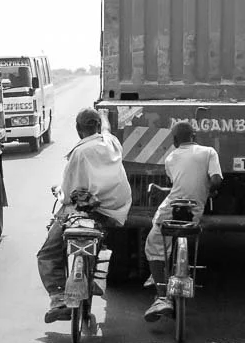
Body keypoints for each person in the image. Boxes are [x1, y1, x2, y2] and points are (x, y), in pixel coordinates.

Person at [37, 107, 132, 322]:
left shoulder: (79, 153)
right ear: (97, 126)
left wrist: (58, 192)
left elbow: (70, 193)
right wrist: (104, 116)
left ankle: (58, 298)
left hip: (87, 212)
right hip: (115, 212)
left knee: (48, 252)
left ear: (78, 130)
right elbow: (105, 129)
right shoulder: (112, 142)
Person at [143, 122, 223, 321]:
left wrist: (163, 192)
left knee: (154, 244)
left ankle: (161, 296)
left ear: (175, 140)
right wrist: (210, 190)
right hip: (195, 209)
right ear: (194, 136)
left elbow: (179, 186)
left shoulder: (171, 158)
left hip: (172, 208)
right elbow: (216, 180)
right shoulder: (209, 152)